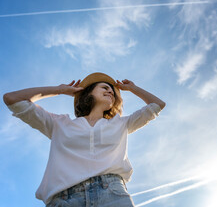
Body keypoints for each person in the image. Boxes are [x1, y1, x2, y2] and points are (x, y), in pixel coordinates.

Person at [3, 72, 166, 207]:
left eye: (113, 91)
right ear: (88, 92)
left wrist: (133, 88)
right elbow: (12, 99)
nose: (111, 91)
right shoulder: (59, 123)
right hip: (65, 200)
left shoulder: (121, 124)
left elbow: (157, 104)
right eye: (105, 87)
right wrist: (59, 90)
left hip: (112, 195)